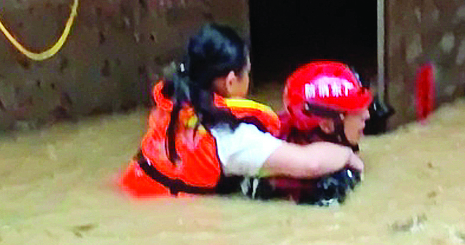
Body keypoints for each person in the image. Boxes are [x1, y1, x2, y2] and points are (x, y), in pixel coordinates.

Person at [123, 24, 361, 198]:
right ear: (230, 81)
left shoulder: (175, 103)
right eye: (246, 71)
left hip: (131, 191)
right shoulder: (233, 138)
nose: (249, 78)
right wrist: (348, 156)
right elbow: (310, 164)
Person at [276, 61, 373, 206]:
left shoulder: (280, 131)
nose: (367, 115)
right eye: (357, 111)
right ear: (327, 126)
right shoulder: (325, 185)